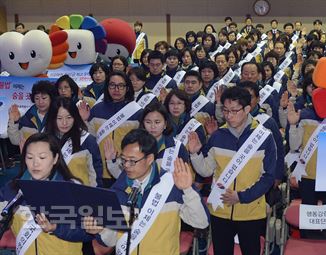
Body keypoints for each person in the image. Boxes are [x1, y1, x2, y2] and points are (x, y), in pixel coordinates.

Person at [187, 86, 276, 255]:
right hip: (221, 208)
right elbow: (206, 171)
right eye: (225, 110)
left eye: (234, 111)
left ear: (247, 109)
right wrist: (195, 154)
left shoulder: (264, 136)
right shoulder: (218, 135)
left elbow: (269, 177)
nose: (228, 115)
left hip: (250, 209)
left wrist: (241, 197)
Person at [90, 129, 209, 254]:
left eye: (132, 160)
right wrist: (100, 230)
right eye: (124, 160)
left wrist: (188, 190)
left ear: (150, 158)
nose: (127, 165)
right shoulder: (117, 190)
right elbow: (110, 240)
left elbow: (201, 222)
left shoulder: (172, 185)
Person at [1, 133, 92, 254]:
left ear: (55, 158)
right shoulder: (13, 188)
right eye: (29, 157)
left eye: (42, 157)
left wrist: (56, 228)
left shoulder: (72, 189)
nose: (35, 163)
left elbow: (87, 233)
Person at [86, 71, 142, 187]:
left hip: (125, 171)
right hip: (99, 171)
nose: (116, 89)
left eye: (121, 86)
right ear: (107, 87)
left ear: (127, 88)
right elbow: (89, 141)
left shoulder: (137, 112)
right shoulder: (96, 110)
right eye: (112, 85)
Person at [45, 98, 103, 187]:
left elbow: (96, 173)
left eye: (69, 117)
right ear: (52, 119)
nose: (64, 123)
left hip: (82, 195)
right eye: (59, 118)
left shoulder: (87, 140)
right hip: (53, 193)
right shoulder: (44, 140)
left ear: (75, 117)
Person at [8, 80, 56, 146]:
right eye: (37, 98)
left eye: (44, 98)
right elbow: (15, 141)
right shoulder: (26, 118)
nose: (40, 102)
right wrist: (14, 122)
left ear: (51, 98)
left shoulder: (57, 117)